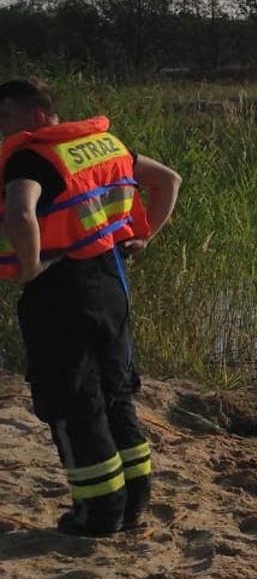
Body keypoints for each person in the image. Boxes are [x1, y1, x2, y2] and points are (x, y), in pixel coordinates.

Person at [0, 78, 182, 537]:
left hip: (61, 290)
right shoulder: (104, 143)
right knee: (116, 393)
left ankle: (98, 514)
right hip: (111, 281)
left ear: (38, 116)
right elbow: (168, 181)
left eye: (4, 117)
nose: (1, 128)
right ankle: (134, 504)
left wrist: (29, 266)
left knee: (73, 401)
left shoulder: (30, 156)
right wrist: (145, 237)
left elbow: (21, 213)